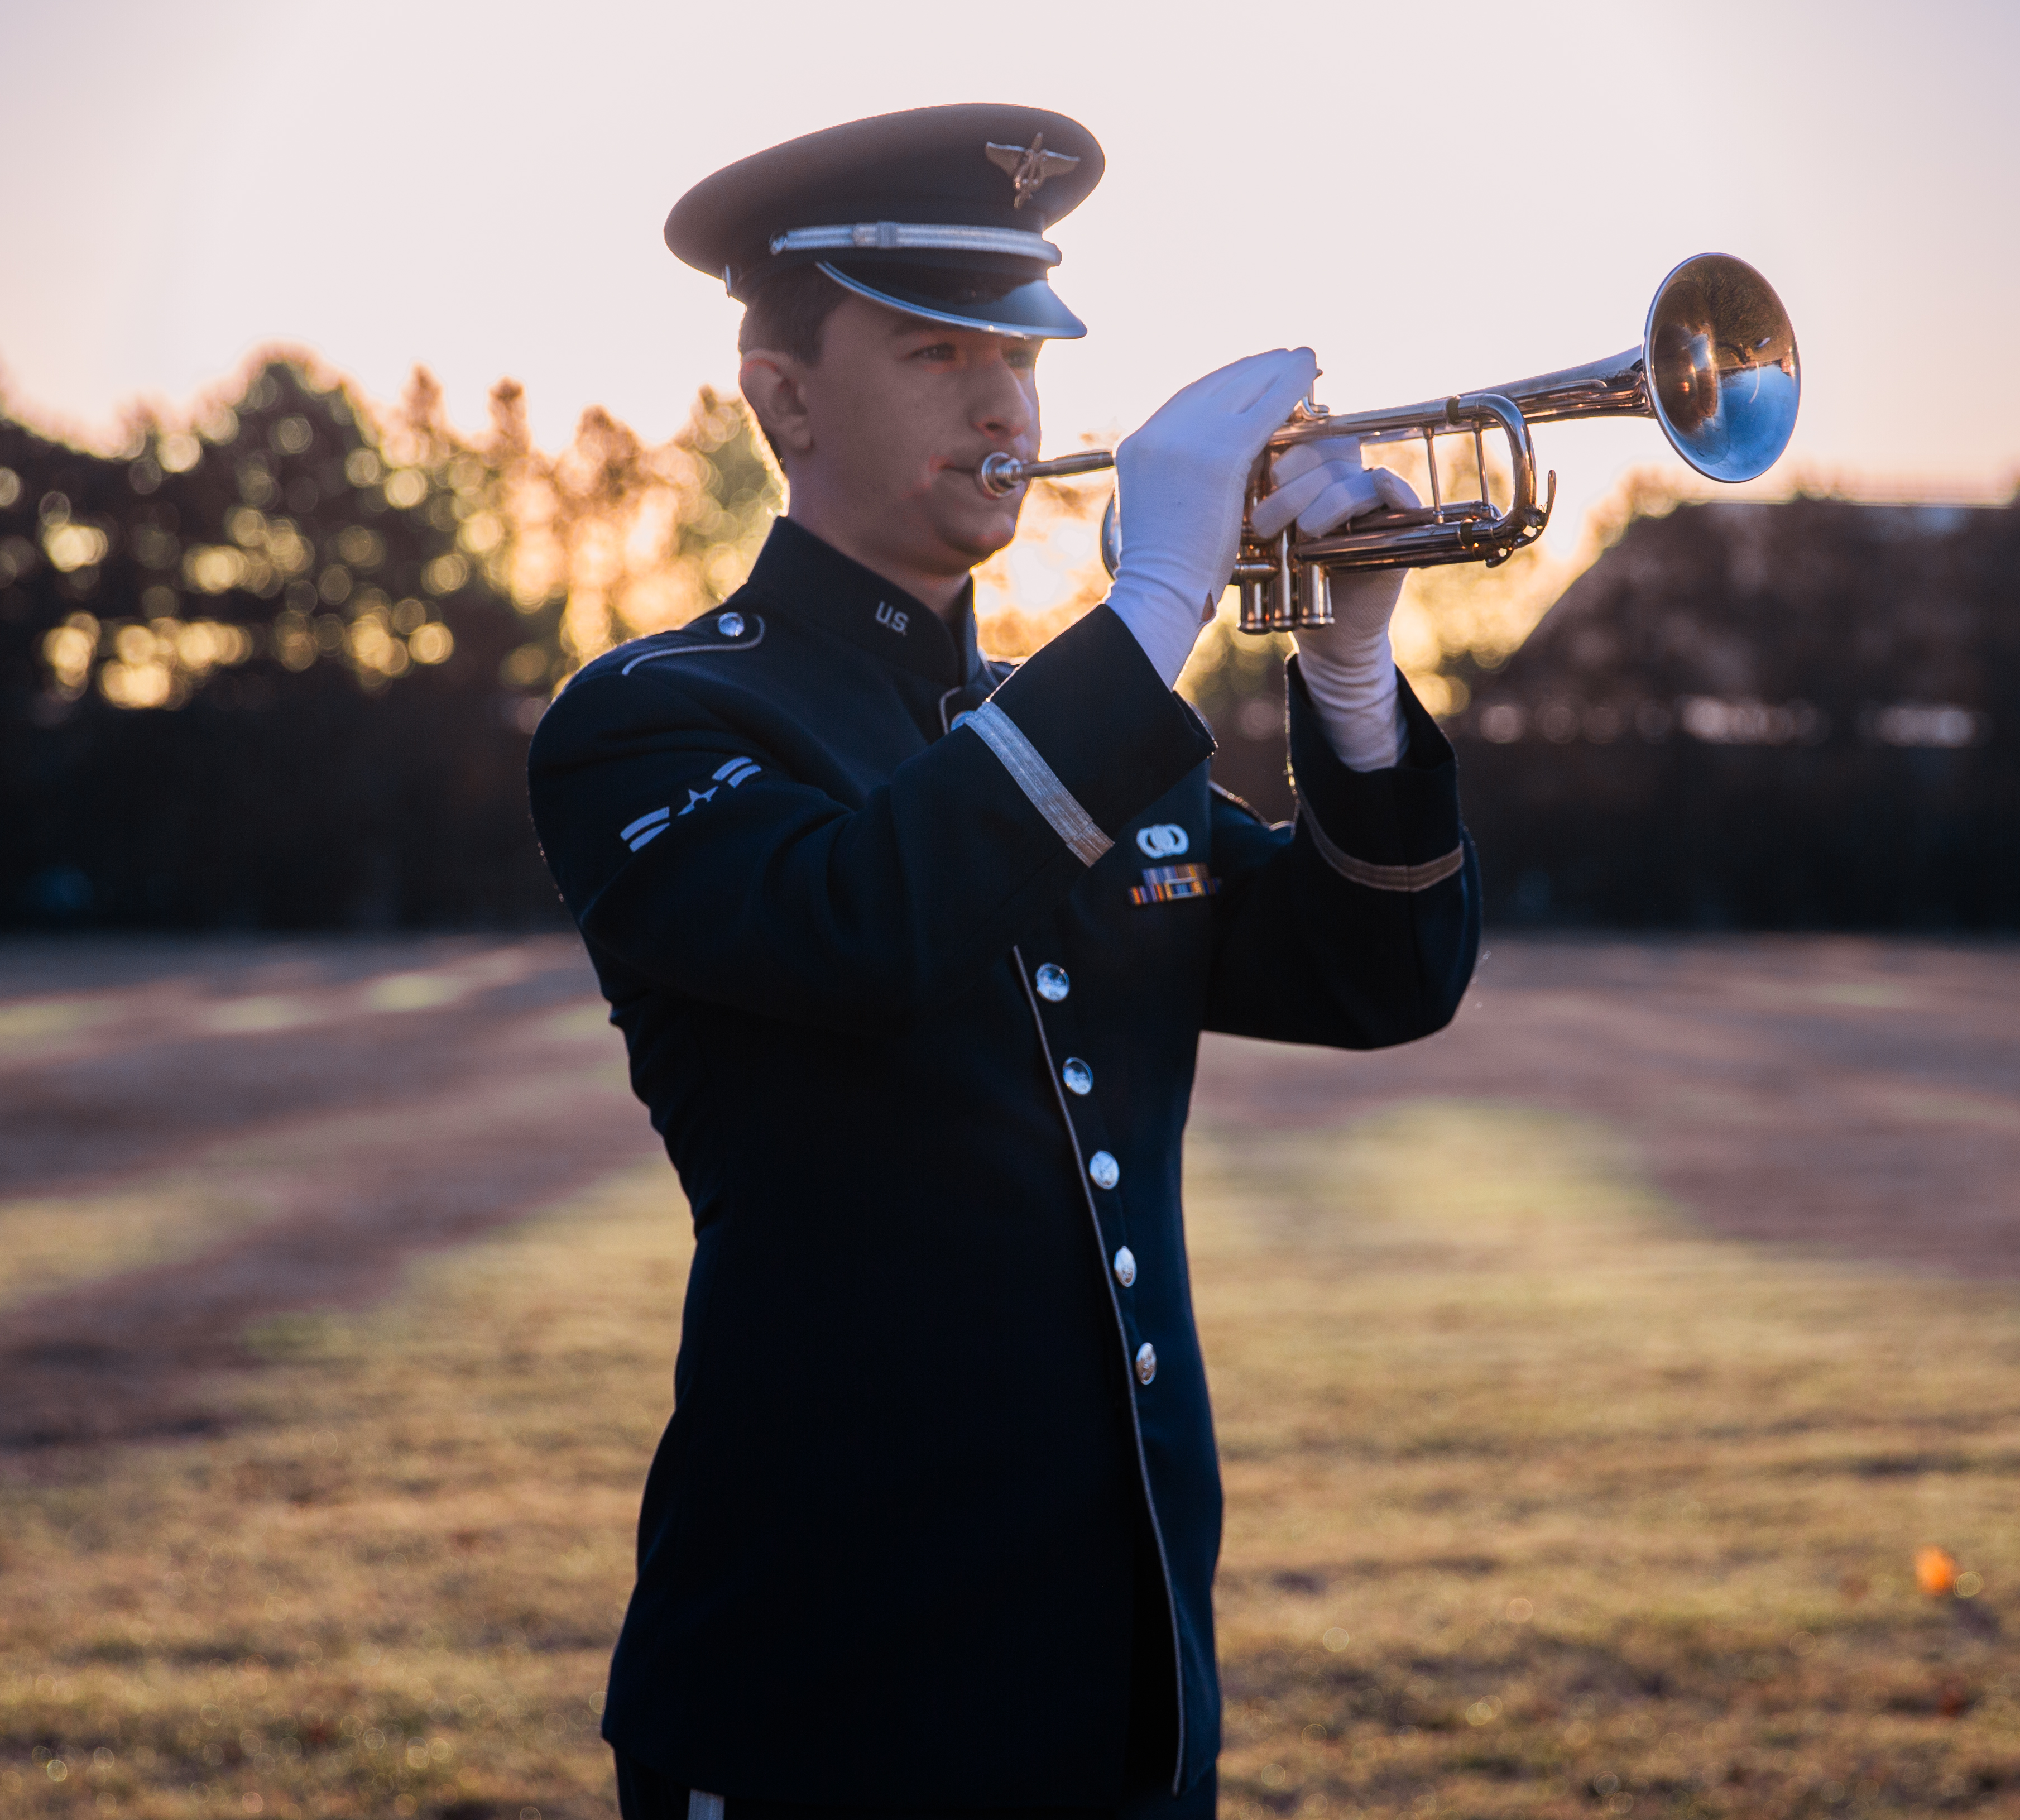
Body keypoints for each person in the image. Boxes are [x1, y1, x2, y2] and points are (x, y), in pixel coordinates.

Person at [526, 104, 1481, 1820]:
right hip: (822, 1702)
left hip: (1120, 1702)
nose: (1005, 408)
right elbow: (870, 921)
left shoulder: (1087, 741)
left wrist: (1345, 670)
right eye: (935, 352)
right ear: (785, 399)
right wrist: (1160, 599)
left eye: (1022, 354)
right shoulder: (655, 721)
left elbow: (1376, 978)